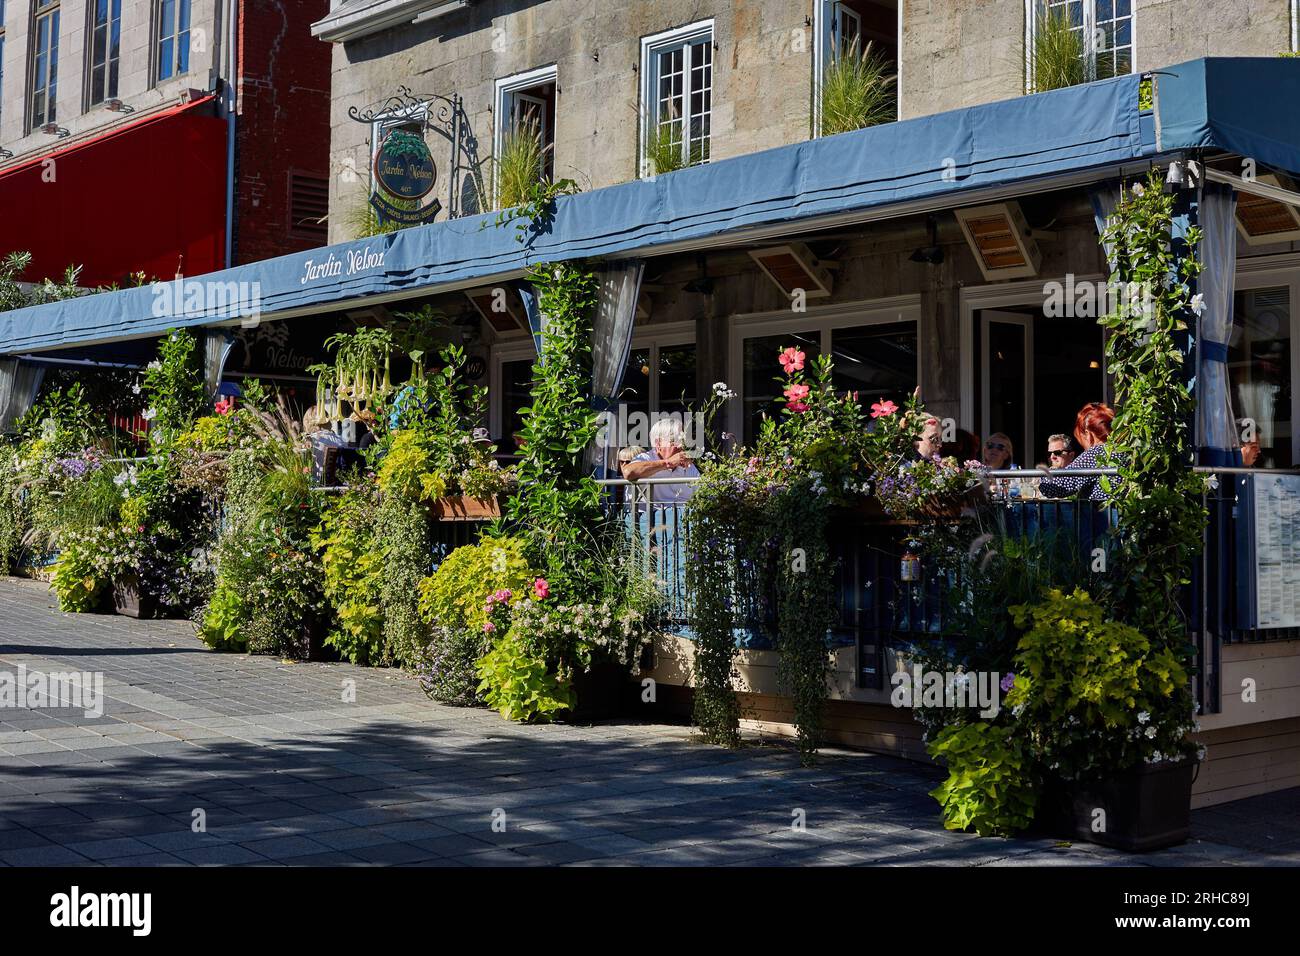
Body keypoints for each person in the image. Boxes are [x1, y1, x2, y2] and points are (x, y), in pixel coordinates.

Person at [1041, 402, 1116, 501]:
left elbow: (1052, 488)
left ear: (1088, 433)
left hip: (1100, 515)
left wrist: (1043, 476)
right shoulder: (1122, 450)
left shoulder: (1095, 454)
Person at [621, 417, 699, 504]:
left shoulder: (687, 465)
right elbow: (628, 472)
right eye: (675, 441)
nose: (681, 446)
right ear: (658, 443)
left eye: (683, 441)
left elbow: (702, 491)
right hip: (650, 516)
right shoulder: (646, 457)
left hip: (685, 514)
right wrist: (668, 463)